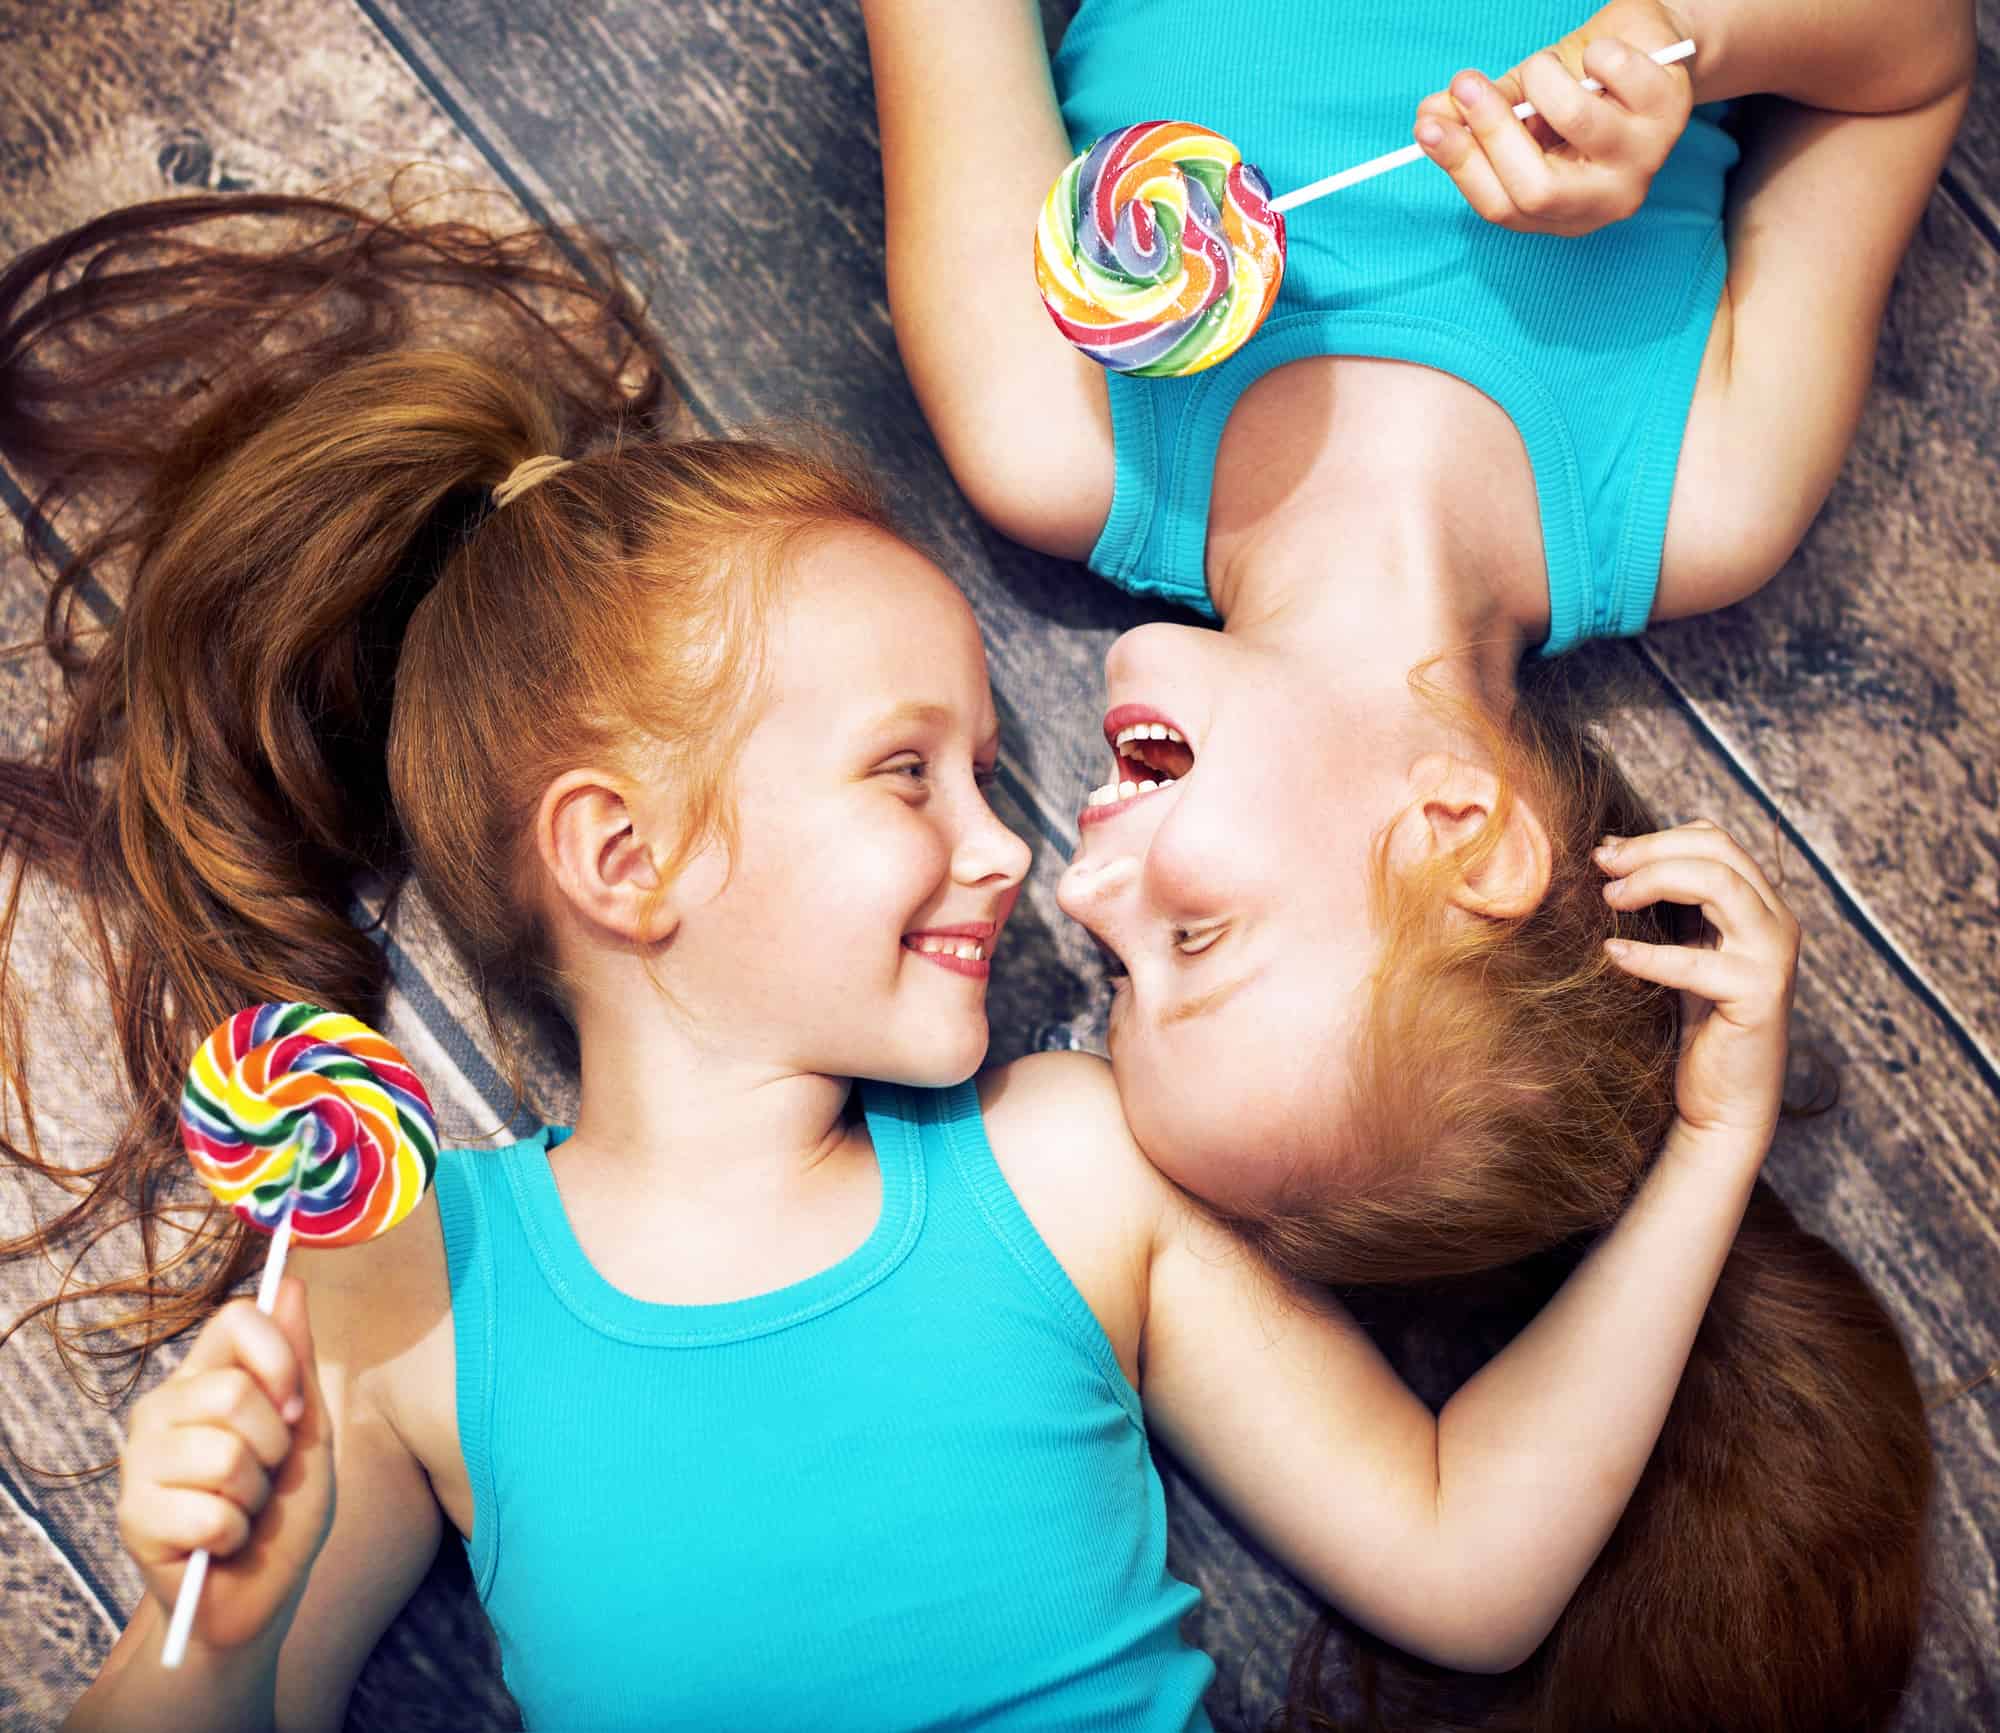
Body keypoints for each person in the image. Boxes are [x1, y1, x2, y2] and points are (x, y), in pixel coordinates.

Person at [0, 193, 1792, 1733]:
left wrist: (1708, 1152)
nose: (1017, 849)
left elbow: (1469, 1562)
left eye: (984, 769)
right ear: (627, 859)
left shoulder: (1065, 1159)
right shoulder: (400, 1288)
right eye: (904, 770)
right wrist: (207, 1639)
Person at [864, 0, 1962, 1725]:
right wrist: (1688, 50)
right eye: (1195, 940)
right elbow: (1917, 57)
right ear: (1463, 832)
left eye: (1118, 977)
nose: (1080, 897)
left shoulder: (1054, 420)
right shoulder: (1707, 485)